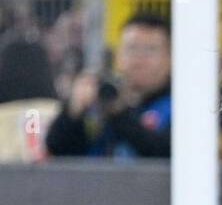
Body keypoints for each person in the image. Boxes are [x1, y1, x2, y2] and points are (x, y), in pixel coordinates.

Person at [45, 11, 171, 158]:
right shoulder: (102, 97)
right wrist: (73, 113)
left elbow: (162, 150)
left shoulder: (181, 108)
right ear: (119, 55)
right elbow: (57, 149)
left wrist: (119, 113)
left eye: (150, 50)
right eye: (131, 49)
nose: (139, 60)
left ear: (170, 58)